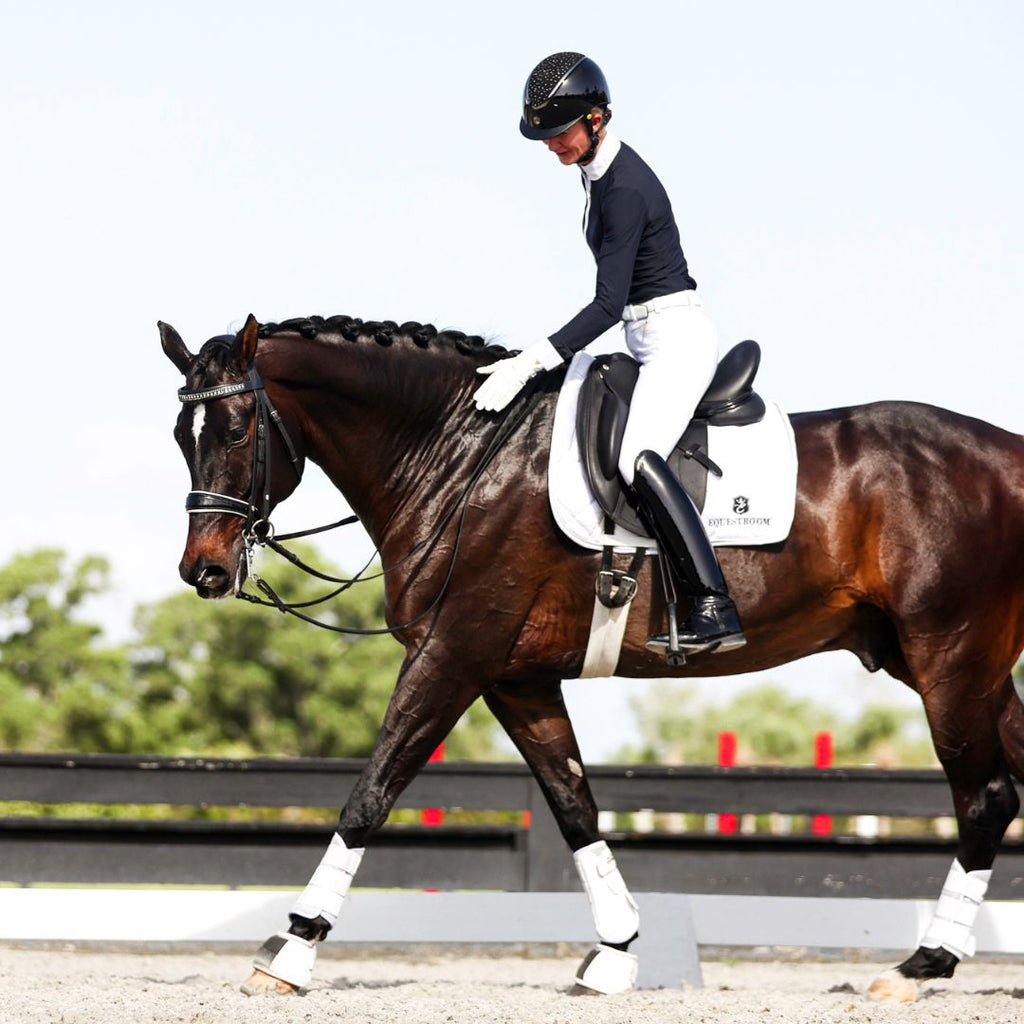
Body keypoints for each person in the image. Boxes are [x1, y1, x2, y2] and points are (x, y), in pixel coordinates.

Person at [473, 51, 745, 656]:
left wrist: (530, 361)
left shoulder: (624, 188)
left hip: (674, 338)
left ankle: (710, 601)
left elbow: (604, 305)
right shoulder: (597, 170)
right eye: (543, 136)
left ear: (597, 118)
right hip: (643, 337)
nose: (550, 146)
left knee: (634, 457)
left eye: (559, 133)